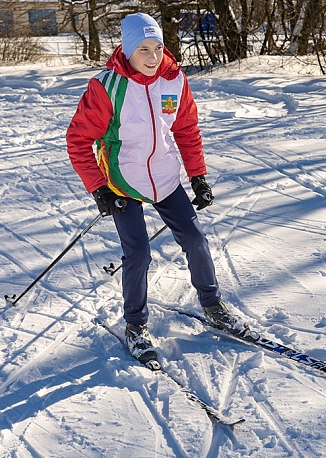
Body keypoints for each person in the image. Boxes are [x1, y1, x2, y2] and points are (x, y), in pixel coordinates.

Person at [66, 12, 247, 370]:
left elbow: (187, 130)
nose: (152, 57)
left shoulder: (174, 80)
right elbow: (78, 140)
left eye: (158, 47)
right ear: (127, 49)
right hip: (122, 181)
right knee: (139, 254)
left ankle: (213, 306)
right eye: (143, 49)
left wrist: (197, 177)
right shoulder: (106, 87)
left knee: (196, 239)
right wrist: (99, 189)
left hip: (165, 178)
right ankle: (135, 325)